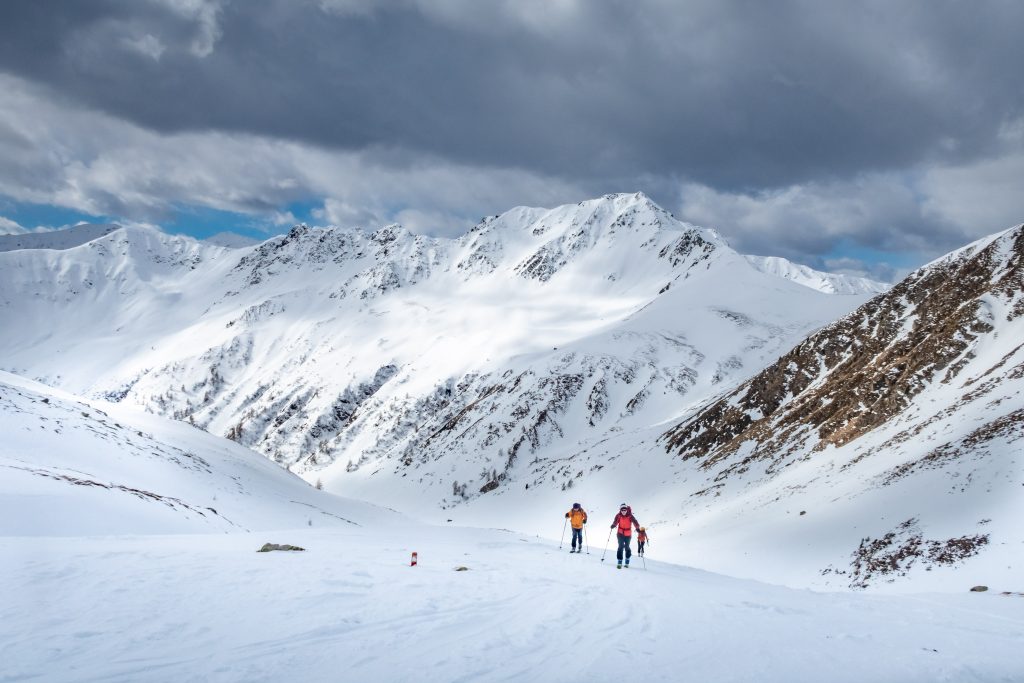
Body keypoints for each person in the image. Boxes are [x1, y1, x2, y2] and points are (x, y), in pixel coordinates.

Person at [610, 503, 640, 568]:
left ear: (627, 510)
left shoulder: (630, 516)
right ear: (620, 510)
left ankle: (627, 559)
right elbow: (616, 521)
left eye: (625, 510)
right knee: (620, 546)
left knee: (627, 547)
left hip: (628, 534)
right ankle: (619, 561)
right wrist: (614, 525)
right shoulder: (618, 515)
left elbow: (635, 522)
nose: (623, 511)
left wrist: (637, 528)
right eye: (622, 510)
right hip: (620, 533)